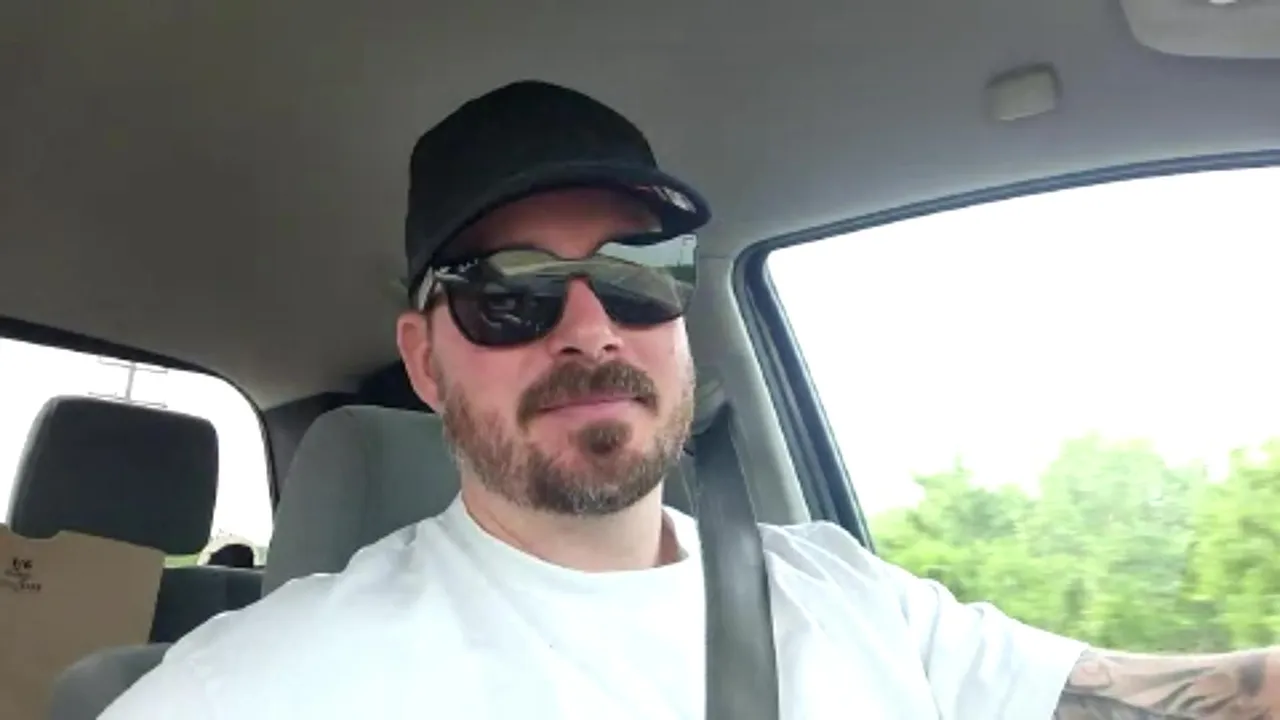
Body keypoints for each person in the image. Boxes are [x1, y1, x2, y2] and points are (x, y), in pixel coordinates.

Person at [102, 81, 1278, 719]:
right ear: (423, 360)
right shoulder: (270, 682)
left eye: (637, 272)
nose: (588, 327)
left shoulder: (847, 592)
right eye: (509, 293)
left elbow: (1158, 698)